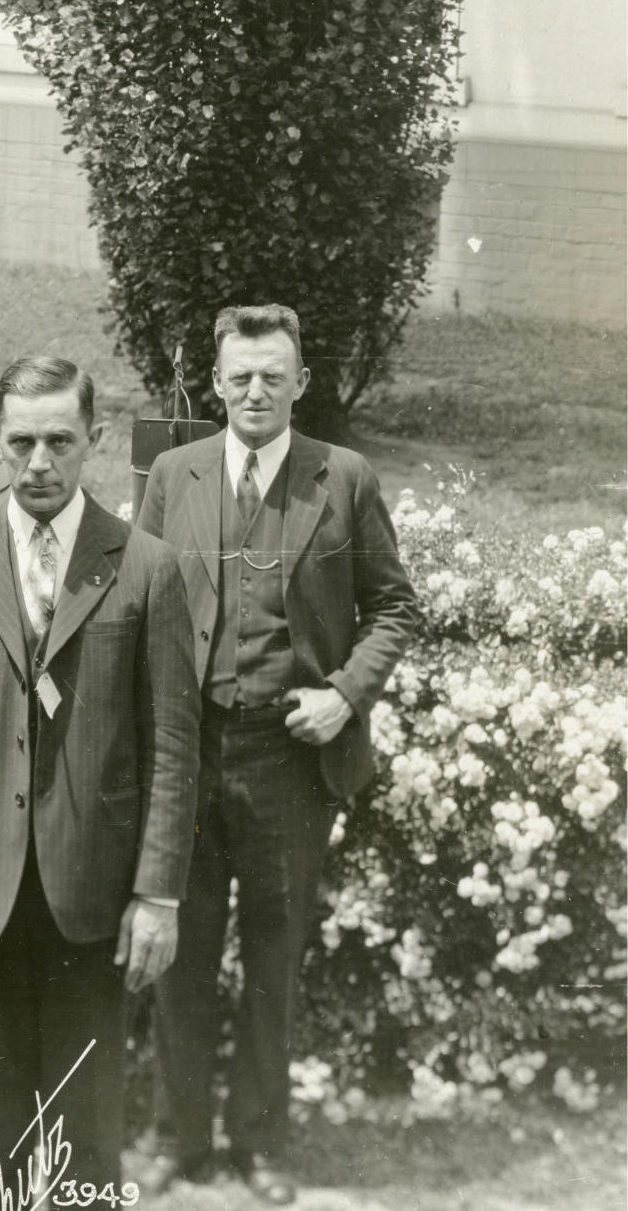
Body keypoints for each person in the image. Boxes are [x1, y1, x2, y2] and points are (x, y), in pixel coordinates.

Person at [0, 356, 196, 1208]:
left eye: (58, 441)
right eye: (21, 440)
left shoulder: (143, 566)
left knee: (82, 1128)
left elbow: (173, 745)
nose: (38, 460)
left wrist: (158, 894)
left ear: (91, 442)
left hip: (92, 890)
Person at [138, 304, 401, 1204]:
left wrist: (344, 694)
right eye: (239, 376)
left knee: (272, 954)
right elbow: (137, 602)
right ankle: (179, 1135)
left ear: (300, 382)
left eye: (272, 375)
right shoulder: (173, 474)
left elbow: (393, 607)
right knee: (179, 950)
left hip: (290, 754)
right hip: (188, 750)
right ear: (215, 384)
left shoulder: (343, 476)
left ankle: (260, 1140)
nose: (255, 391)